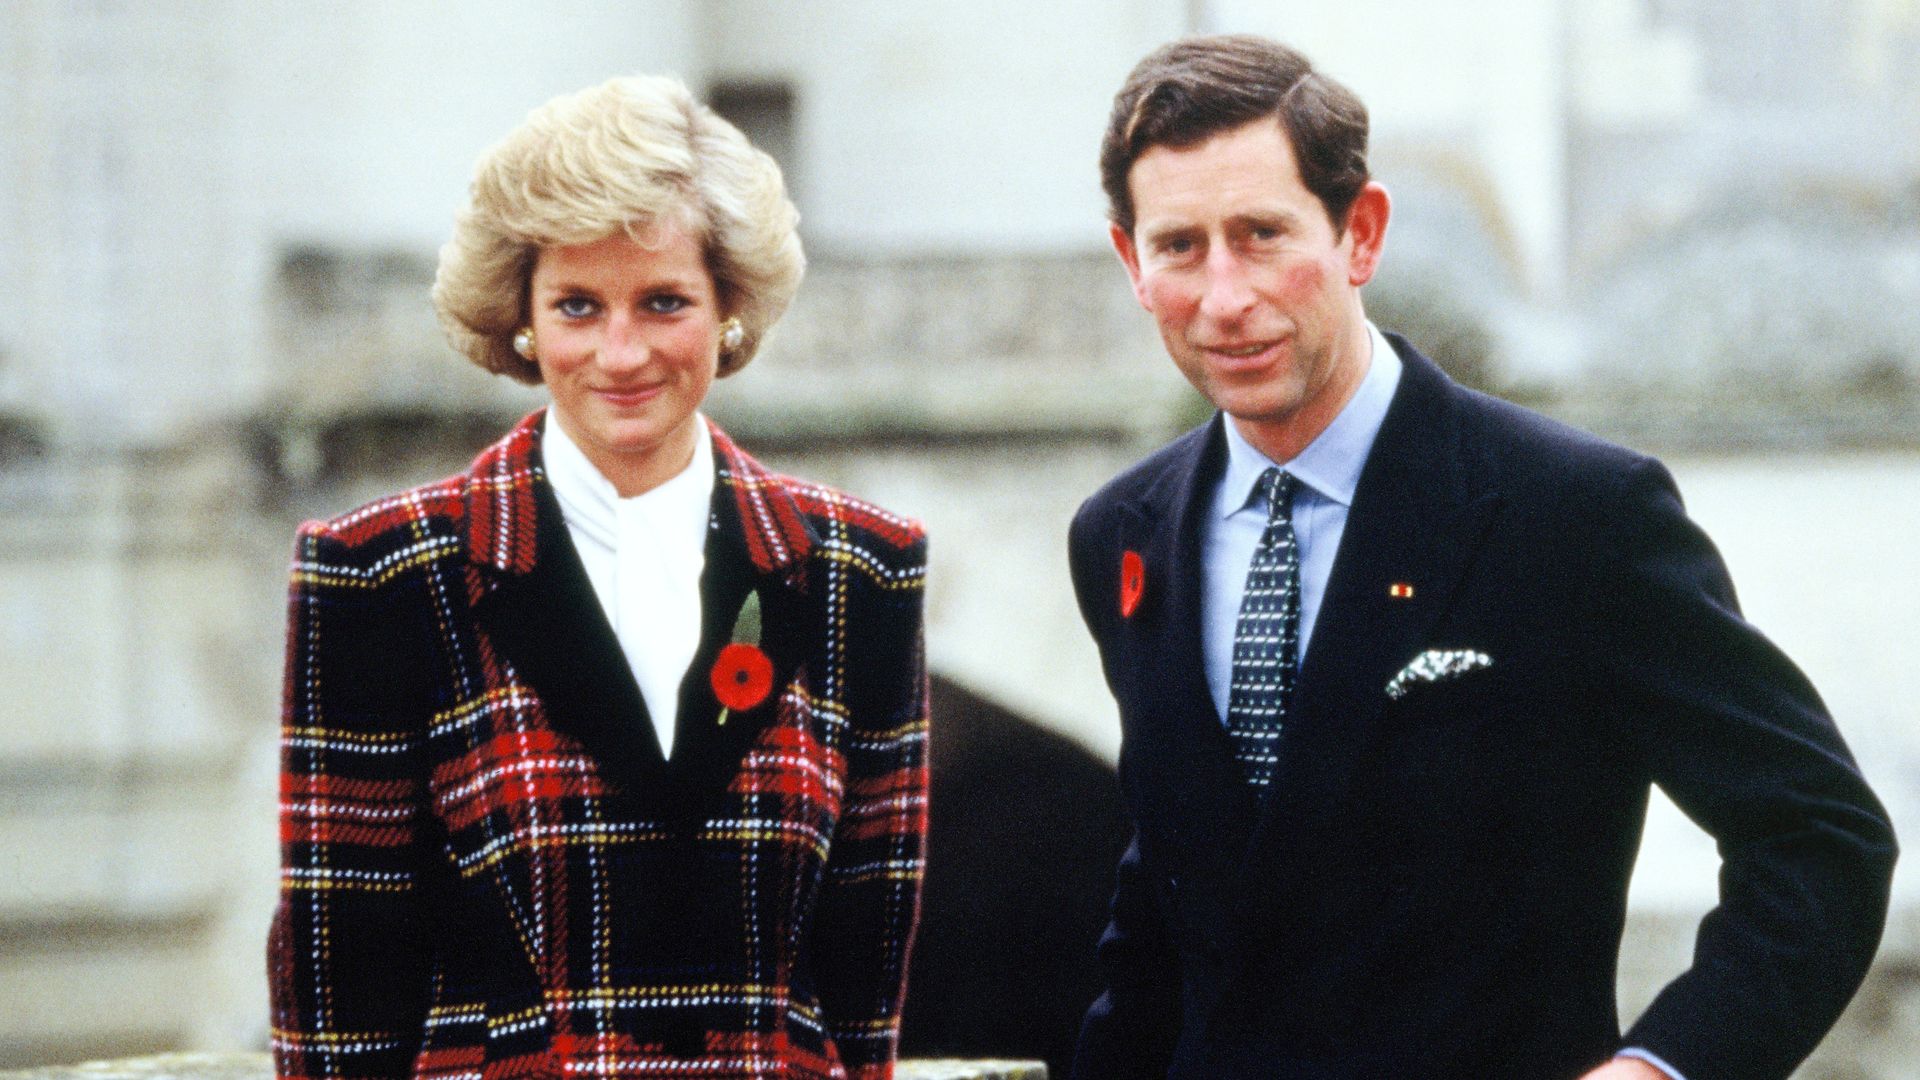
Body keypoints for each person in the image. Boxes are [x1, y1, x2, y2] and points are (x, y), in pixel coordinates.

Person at [1067, 34, 1895, 1080]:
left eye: (1263, 234)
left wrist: (1658, 1069)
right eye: (1180, 246)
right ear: (1130, 260)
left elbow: (1820, 841)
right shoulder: (1120, 536)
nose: (1224, 296)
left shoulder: (1578, 513)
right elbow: (1167, 915)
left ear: (1360, 234)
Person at [267, 74, 929, 1080]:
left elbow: (863, 988)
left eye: (664, 302)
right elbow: (341, 990)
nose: (621, 353)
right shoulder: (383, 573)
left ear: (728, 313)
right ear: (523, 321)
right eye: (578, 305)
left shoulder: (860, 570)